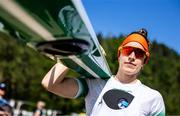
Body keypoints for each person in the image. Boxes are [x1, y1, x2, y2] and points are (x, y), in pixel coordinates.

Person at [41, 28, 165, 116]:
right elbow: (50, 84)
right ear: (119, 55)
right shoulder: (95, 83)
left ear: (144, 62)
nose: (132, 56)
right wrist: (76, 53)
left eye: (139, 53)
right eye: (128, 50)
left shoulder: (153, 98)